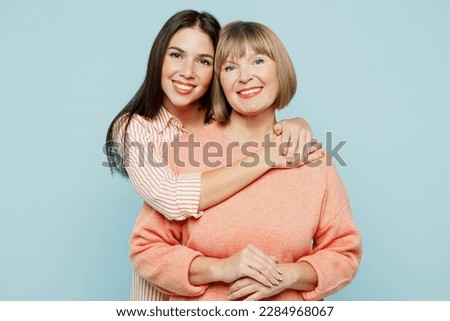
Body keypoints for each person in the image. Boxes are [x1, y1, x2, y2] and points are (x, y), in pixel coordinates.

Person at [129, 20, 362, 301]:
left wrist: (287, 276)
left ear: (281, 70)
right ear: (219, 82)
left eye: (258, 61)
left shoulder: (311, 157)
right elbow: (147, 249)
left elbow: (343, 252)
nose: (244, 76)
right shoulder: (185, 151)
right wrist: (218, 269)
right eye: (230, 67)